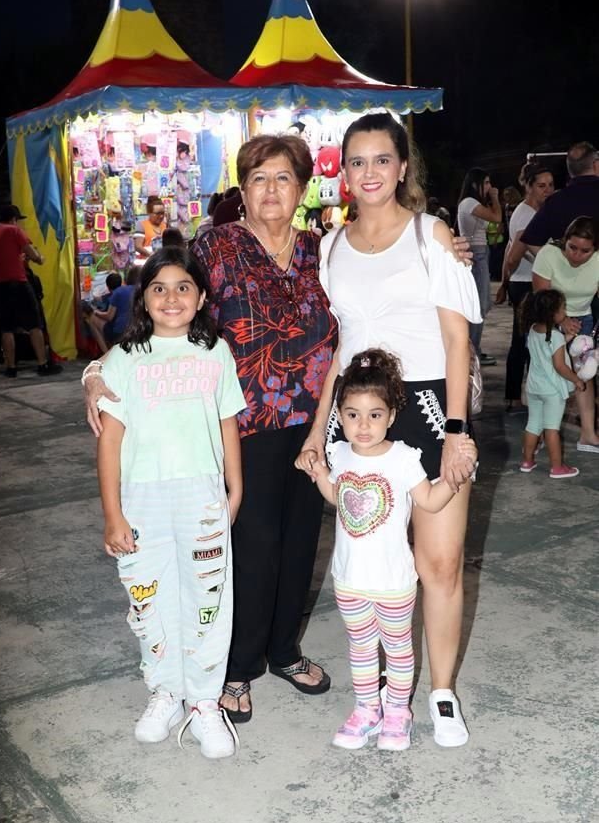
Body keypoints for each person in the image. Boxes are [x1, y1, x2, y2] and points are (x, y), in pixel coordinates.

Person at [84, 134, 339, 724]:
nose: (271, 189)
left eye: (282, 178)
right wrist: (95, 372)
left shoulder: (322, 250)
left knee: (302, 542)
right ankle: (236, 668)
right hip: (240, 425)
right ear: (242, 191)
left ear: (302, 189)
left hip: (314, 422)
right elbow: (162, 314)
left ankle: (284, 651)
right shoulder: (217, 247)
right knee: (250, 548)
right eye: (258, 178)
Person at [296, 112, 481, 748]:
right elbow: (336, 351)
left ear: (402, 167)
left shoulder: (433, 236)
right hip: (359, 419)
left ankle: (441, 692)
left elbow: (457, 341)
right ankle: (377, 699)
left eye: (381, 159)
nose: (369, 172)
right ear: (341, 172)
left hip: (430, 407)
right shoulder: (329, 247)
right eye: (357, 161)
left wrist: (456, 430)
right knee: (370, 563)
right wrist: (320, 433)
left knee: (440, 561)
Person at [96, 246, 246, 758]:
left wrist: (236, 486)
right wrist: (113, 513)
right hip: (142, 500)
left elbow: (228, 421)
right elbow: (109, 441)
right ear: (143, 300)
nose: (172, 297)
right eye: (159, 288)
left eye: (184, 287)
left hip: (201, 494)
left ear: (202, 297)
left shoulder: (214, 352)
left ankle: (205, 701)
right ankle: (166, 691)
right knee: (148, 600)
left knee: (208, 599)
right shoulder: (122, 361)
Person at [309, 349, 477, 751]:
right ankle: (367, 708)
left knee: (399, 650)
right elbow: (339, 496)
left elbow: (431, 502)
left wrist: (455, 477)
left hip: (393, 582)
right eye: (351, 415)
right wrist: (318, 473)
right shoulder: (340, 453)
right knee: (361, 648)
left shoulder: (404, 459)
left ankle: (397, 711)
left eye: (374, 415)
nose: (363, 426)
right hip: (349, 579)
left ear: (392, 416)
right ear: (340, 414)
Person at [532, 216, 599, 452]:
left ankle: (588, 435)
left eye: (585, 251)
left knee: (585, 375)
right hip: (548, 318)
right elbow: (541, 298)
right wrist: (562, 321)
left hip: (584, 319)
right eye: (572, 247)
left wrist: (577, 323)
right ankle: (536, 433)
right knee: (548, 375)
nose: (577, 255)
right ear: (565, 241)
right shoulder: (548, 254)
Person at [496, 165, 555, 413]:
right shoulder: (526, 214)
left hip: (524, 281)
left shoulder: (533, 212)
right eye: (542, 185)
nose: (548, 190)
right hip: (526, 283)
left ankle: (523, 394)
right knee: (523, 341)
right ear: (528, 187)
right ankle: (515, 396)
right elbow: (514, 252)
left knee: (531, 340)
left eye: (551, 185)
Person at [0, 204, 62, 377]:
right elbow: (33, 255)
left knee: (6, 327)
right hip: (18, 283)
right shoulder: (14, 231)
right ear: (13, 219)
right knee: (34, 324)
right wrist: (40, 257)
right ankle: (42, 364)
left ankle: (11, 368)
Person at [506, 142, 599, 276]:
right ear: (595, 164)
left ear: (570, 169)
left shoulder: (556, 201)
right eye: (541, 186)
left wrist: (559, 265)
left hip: (569, 281)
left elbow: (531, 240)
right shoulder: (549, 202)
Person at [518, 289, 584, 477]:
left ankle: (527, 461)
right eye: (563, 308)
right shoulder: (554, 336)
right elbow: (559, 366)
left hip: (534, 388)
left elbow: (547, 350)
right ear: (553, 313)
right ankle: (557, 467)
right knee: (551, 429)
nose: (565, 312)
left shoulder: (533, 330)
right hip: (552, 391)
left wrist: (566, 340)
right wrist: (576, 379)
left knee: (533, 425)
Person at [456, 168, 502, 365]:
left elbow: (496, 225)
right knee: (479, 305)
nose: (490, 187)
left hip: (480, 252)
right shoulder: (469, 203)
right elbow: (497, 218)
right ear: (476, 184)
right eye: (486, 183)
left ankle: (473, 349)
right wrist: (496, 199)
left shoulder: (472, 203)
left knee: (481, 304)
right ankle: (472, 351)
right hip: (476, 254)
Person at [92, 270, 137, 346]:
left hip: (120, 333)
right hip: (137, 331)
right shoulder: (143, 292)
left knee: (92, 319)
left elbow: (109, 317)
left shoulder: (118, 292)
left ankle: (106, 351)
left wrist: (96, 312)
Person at [133, 198, 166, 263]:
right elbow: (138, 246)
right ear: (149, 213)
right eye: (158, 214)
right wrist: (152, 255)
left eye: (163, 213)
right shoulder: (142, 225)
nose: (161, 216)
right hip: (146, 263)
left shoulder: (164, 225)